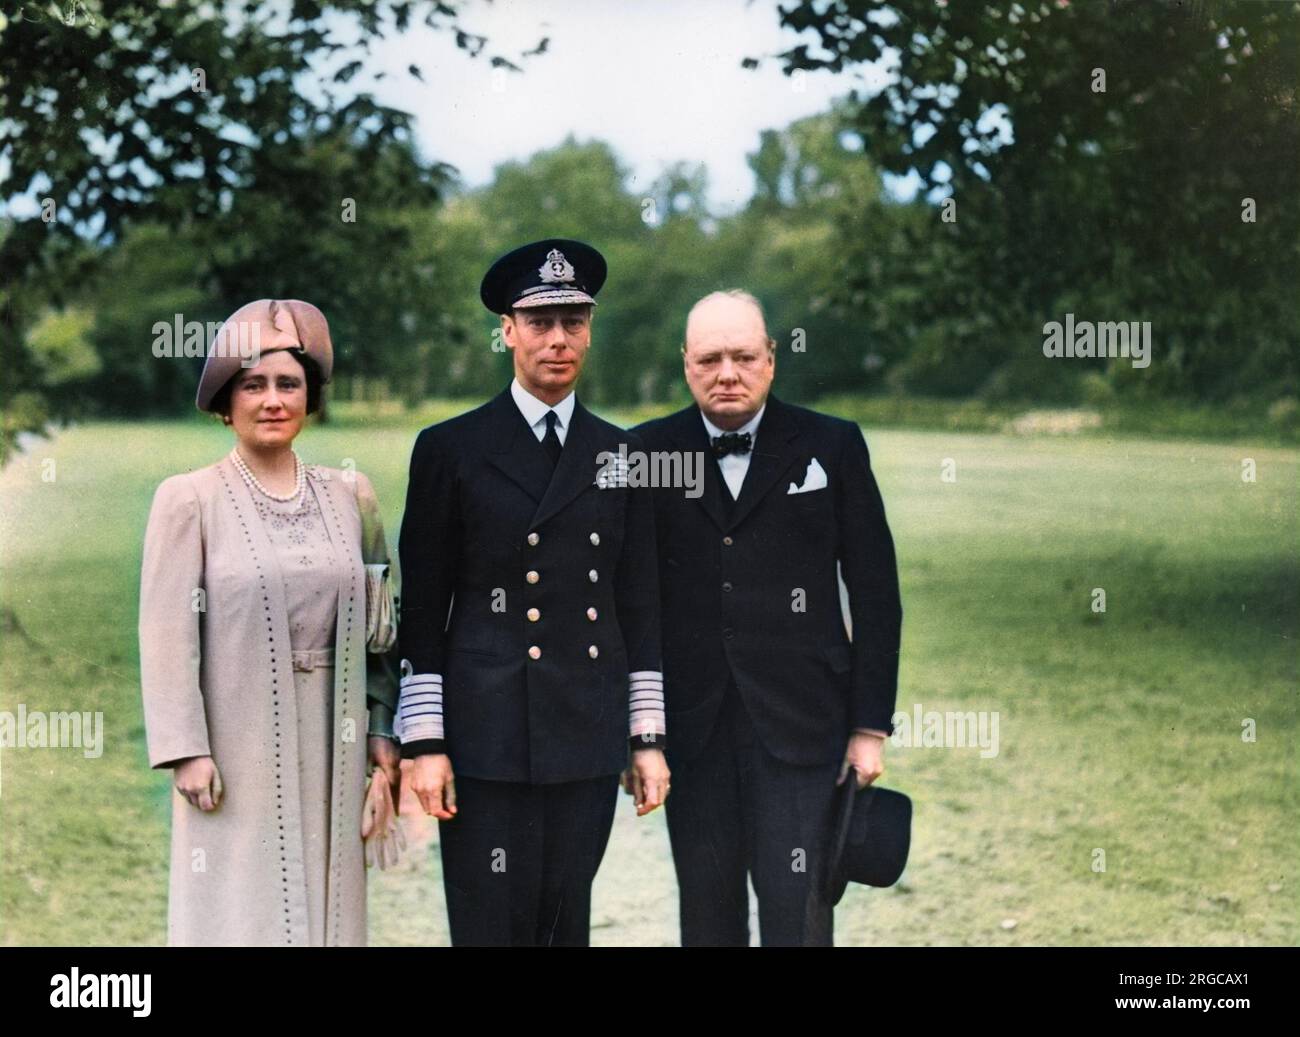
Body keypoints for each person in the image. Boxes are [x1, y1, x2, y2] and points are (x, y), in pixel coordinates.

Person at [395, 238, 669, 946]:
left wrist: (645, 737)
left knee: (563, 924)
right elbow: (424, 602)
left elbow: (638, 601)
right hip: (484, 733)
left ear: (588, 330)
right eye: (540, 322)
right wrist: (425, 742)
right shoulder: (450, 448)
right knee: (490, 927)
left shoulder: (623, 454)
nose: (558, 339)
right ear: (508, 330)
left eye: (573, 322)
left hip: (586, 727)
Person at [634, 289, 902, 946]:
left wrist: (870, 726)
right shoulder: (645, 451)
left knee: (798, 917)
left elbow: (875, 593)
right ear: (686, 364)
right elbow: (632, 602)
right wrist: (644, 733)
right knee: (706, 918)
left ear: (771, 360)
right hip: (693, 735)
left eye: (743, 356)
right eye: (710, 359)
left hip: (805, 729)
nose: (728, 372)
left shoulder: (832, 445)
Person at [138, 299, 401, 946]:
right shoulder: (188, 499)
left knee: (328, 902)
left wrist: (382, 736)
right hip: (234, 740)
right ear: (227, 402)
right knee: (239, 902)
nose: (272, 399)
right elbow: (167, 631)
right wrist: (186, 750)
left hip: (335, 741)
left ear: (309, 398)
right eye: (253, 384)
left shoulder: (351, 496)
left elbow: (382, 635)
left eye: (289, 383)